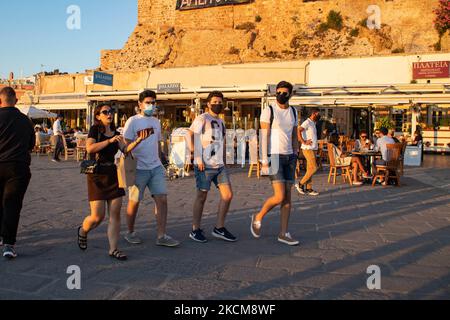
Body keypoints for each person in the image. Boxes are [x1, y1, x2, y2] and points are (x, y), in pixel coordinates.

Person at [123, 90, 180, 247]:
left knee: (162, 199)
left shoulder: (156, 122)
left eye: (153, 103)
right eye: (148, 102)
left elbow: (158, 143)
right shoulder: (132, 121)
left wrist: (164, 159)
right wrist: (139, 140)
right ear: (140, 104)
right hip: (138, 167)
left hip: (155, 167)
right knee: (134, 201)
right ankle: (130, 232)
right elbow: (125, 146)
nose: (151, 105)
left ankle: (162, 235)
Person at [250, 81, 300, 246]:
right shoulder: (269, 110)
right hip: (274, 156)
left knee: (287, 198)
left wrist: (296, 153)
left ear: (290, 94)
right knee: (279, 196)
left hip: (289, 157)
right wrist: (264, 160)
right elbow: (264, 136)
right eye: (279, 92)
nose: (281, 95)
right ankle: (258, 217)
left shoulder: (293, 111)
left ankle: (284, 233)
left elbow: (294, 135)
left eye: (285, 92)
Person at [77, 104, 128, 260]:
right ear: (98, 116)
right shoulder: (95, 130)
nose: (109, 114)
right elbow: (90, 148)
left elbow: (126, 150)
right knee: (97, 217)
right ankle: (83, 231)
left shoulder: (117, 133)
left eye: (111, 111)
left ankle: (113, 249)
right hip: (96, 174)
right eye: (105, 112)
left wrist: (140, 139)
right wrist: (110, 141)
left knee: (115, 214)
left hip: (113, 173)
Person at [187, 91, 236, 243]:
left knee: (227, 195)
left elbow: (222, 139)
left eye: (220, 102)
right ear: (208, 104)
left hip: (219, 165)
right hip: (205, 164)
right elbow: (189, 134)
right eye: (214, 102)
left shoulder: (221, 121)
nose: (217, 104)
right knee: (202, 196)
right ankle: (195, 229)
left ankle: (219, 228)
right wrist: (196, 155)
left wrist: (226, 157)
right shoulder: (202, 118)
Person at [0, 87, 35, 259]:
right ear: (15, 100)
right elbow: (31, 144)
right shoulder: (25, 120)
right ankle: (8, 244)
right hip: (18, 167)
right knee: (13, 205)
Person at [295, 108, 321, 196]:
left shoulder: (313, 123)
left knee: (310, 169)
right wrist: (303, 141)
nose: (319, 115)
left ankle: (309, 188)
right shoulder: (307, 122)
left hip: (312, 148)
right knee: (314, 168)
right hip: (307, 148)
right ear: (313, 114)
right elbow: (298, 130)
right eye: (318, 114)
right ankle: (300, 184)